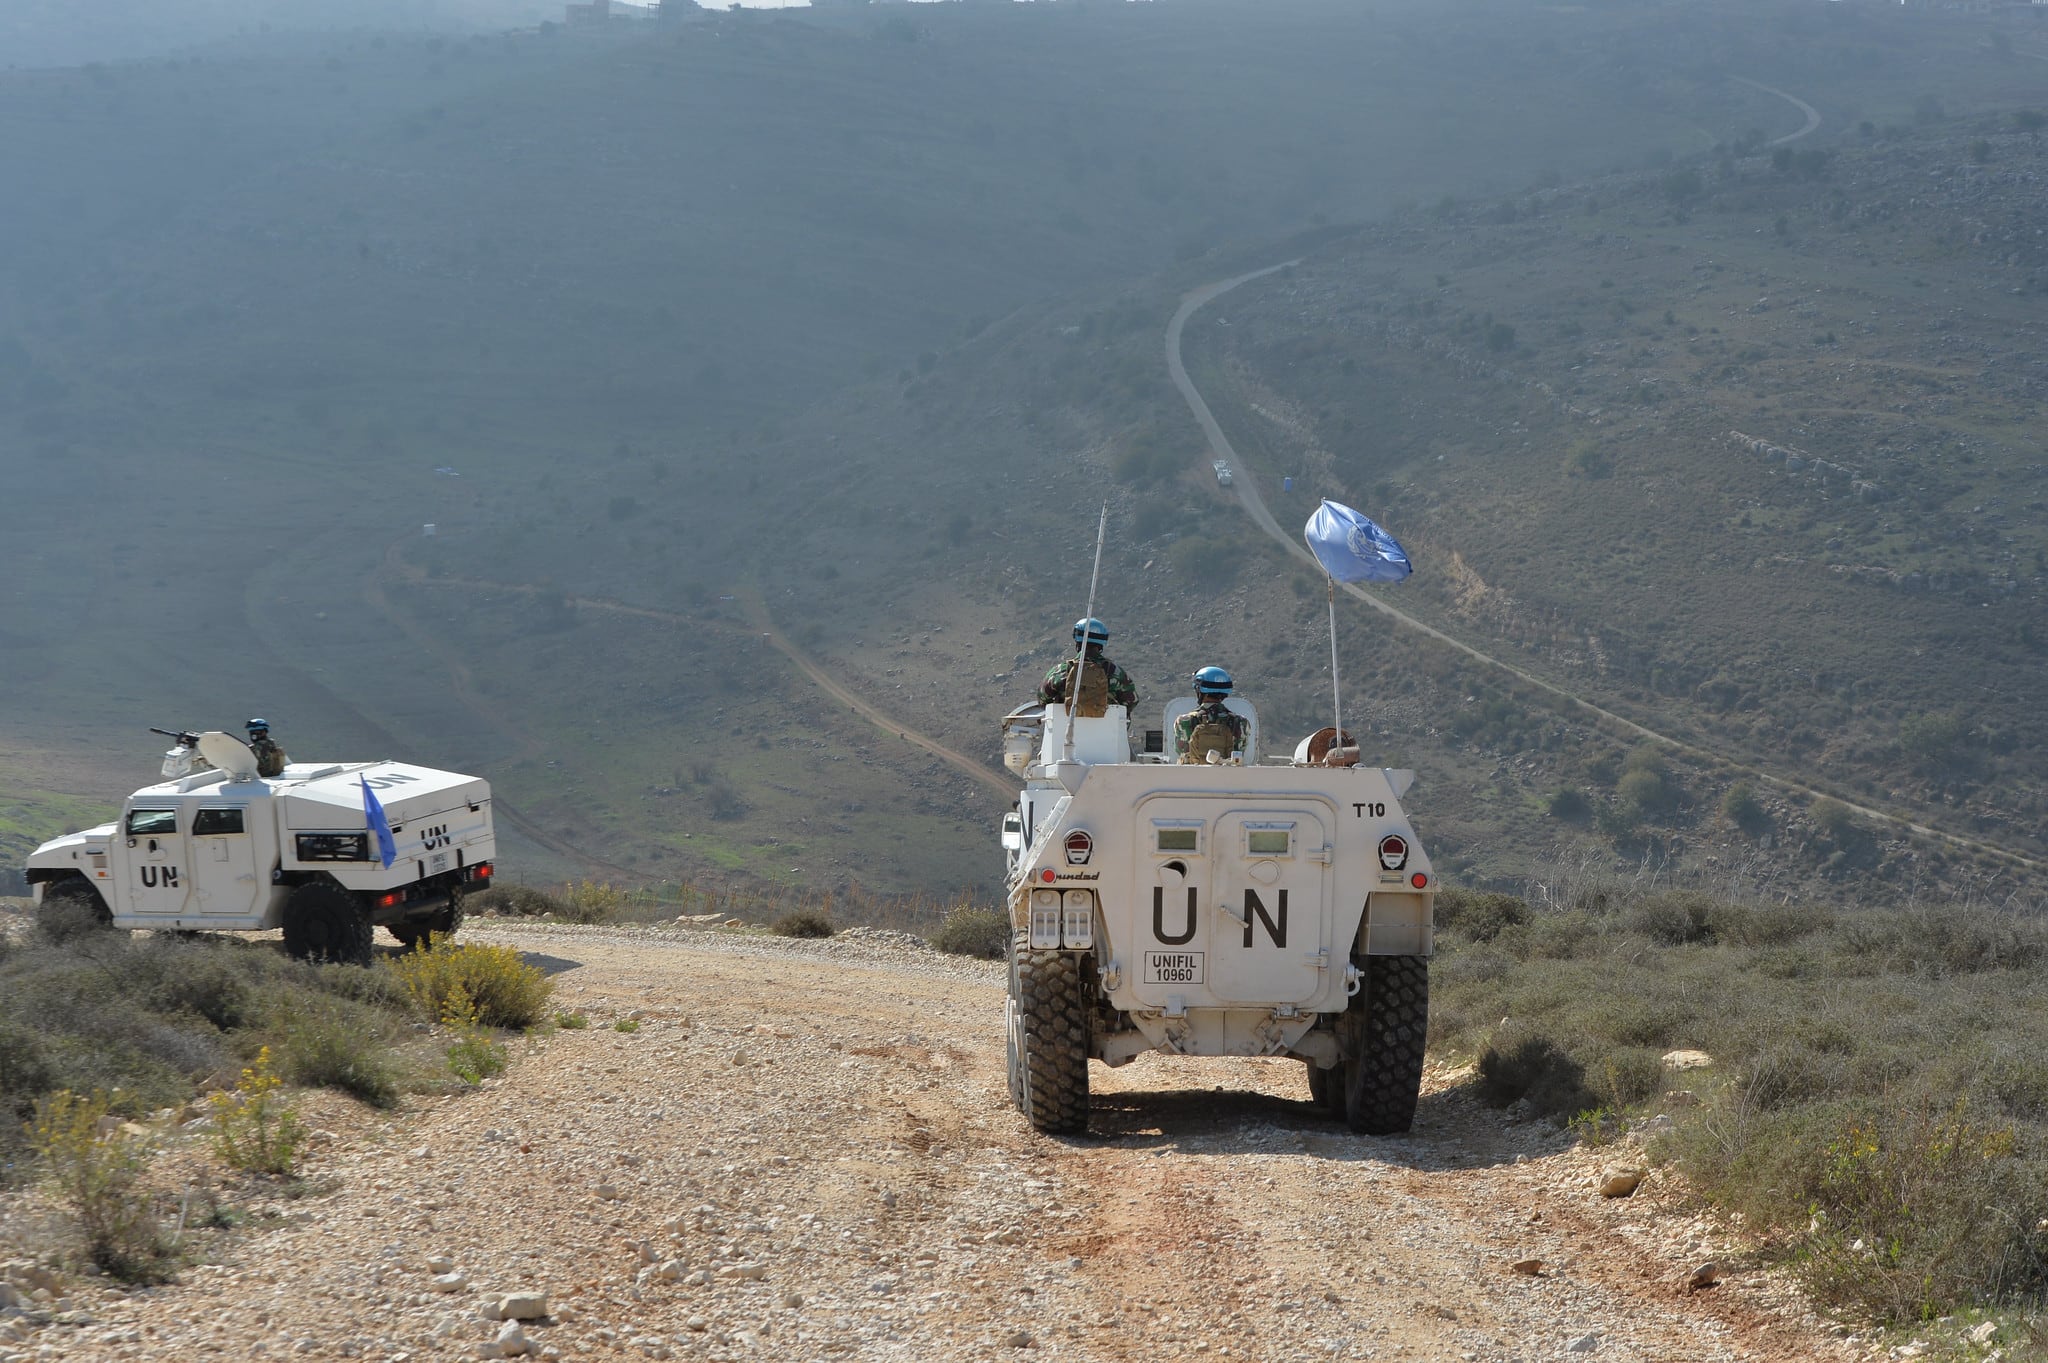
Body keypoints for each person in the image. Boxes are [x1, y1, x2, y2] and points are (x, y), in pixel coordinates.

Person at [1038, 617, 1137, 718]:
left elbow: (1042, 698)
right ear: (1102, 643)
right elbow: (1132, 701)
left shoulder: (1061, 670)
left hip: (1064, 730)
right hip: (1106, 731)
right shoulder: (1115, 672)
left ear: (1077, 640)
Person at [1174, 666, 1248, 764]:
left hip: (1192, 776)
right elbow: (1240, 750)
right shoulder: (1241, 722)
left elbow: (1181, 750)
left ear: (1199, 689)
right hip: (1228, 777)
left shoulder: (1184, 721)